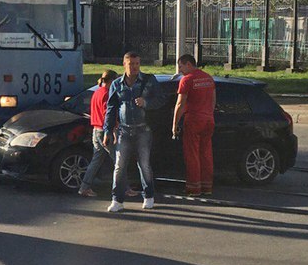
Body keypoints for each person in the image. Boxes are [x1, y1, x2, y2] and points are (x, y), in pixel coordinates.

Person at [104, 52, 161, 212]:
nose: (135, 67)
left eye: (137, 63)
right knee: (119, 166)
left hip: (143, 130)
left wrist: (146, 102)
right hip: (123, 130)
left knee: (144, 164)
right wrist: (107, 130)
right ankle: (117, 200)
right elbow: (111, 108)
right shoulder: (117, 84)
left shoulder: (149, 80)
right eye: (131, 64)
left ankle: (148, 196)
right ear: (124, 65)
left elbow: (161, 99)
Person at [78, 70, 139, 198]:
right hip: (106, 131)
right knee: (119, 160)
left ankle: (84, 187)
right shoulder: (107, 94)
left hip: (96, 129)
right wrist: (114, 130)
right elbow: (108, 113)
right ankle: (125, 188)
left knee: (96, 160)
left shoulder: (97, 92)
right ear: (111, 81)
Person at [172, 54, 216, 197]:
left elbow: (180, 104)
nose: (180, 70)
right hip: (208, 120)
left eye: (181, 66)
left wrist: (174, 125)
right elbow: (213, 99)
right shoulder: (208, 78)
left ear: (189, 64)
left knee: (192, 155)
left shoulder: (187, 80)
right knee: (206, 154)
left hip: (193, 120)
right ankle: (207, 187)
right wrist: (209, 113)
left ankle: (193, 188)